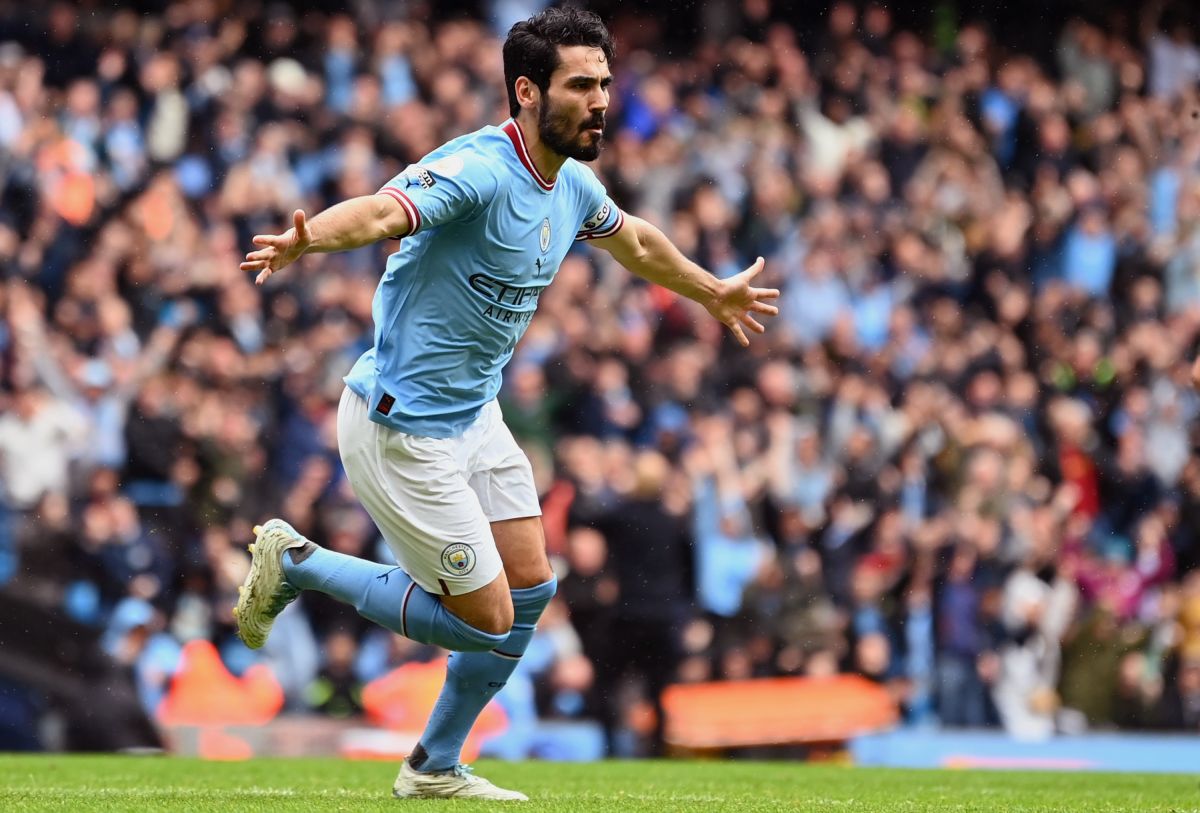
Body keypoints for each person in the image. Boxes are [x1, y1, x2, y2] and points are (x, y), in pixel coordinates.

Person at [232, 8, 778, 801]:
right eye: (582, 85)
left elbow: (636, 242)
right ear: (527, 91)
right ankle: (298, 563)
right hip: (401, 429)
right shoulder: (482, 169)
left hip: (475, 415)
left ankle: (431, 767)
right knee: (483, 620)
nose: (601, 101)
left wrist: (711, 290)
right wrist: (309, 238)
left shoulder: (574, 184)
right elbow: (387, 210)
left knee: (531, 591)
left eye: (605, 84)